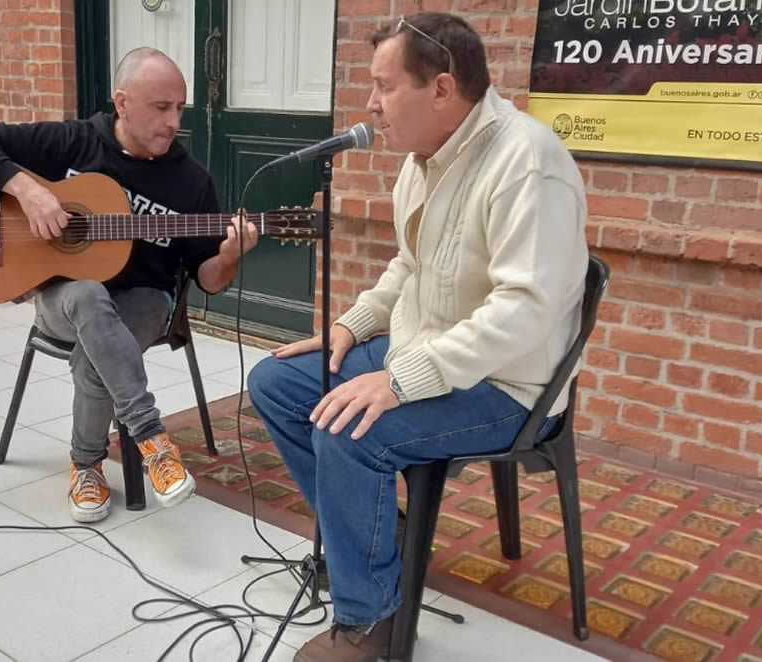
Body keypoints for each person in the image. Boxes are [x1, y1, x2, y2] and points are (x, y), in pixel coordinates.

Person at [247, 12, 589, 662]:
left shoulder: (527, 162)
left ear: (440, 88)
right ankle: (376, 542)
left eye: (383, 86)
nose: (369, 105)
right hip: (425, 347)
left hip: (508, 384)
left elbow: (527, 309)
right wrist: (350, 327)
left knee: (347, 429)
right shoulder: (421, 158)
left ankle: (368, 617)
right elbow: (409, 265)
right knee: (277, 384)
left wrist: (402, 380)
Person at [0, 47, 258, 523]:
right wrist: (28, 193)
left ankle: (87, 464)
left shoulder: (192, 183)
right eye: (160, 108)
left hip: (146, 303)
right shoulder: (73, 143)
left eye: (180, 108)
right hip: (62, 298)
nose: (174, 121)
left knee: (100, 340)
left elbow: (209, 280)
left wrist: (230, 254)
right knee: (89, 296)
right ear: (123, 102)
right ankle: (152, 438)